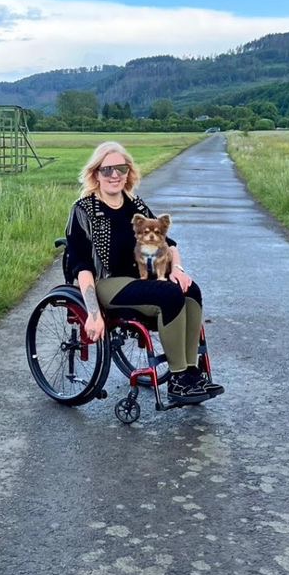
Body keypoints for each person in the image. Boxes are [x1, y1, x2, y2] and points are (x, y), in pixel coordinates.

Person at [64, 141, 223, 405]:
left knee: (190, 290)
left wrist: (178, 269)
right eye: (107, 169)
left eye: (121, 168)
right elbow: (81, 266)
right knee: (169, 295)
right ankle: (178, 378)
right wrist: (93, 313)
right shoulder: (84, 210)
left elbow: (168, 243)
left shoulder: (134, 204)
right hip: (107, 282)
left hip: (140, 278)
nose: (114, 175)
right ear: (96, 174)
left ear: (128, 172)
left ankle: (191, 372)